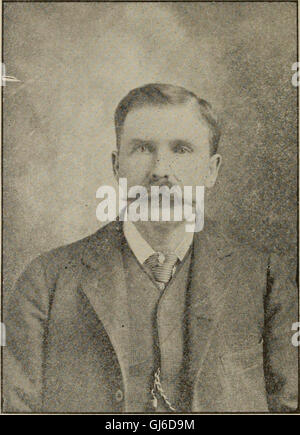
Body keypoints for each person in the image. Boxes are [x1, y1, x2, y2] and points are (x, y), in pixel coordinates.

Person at [4, 83, 298, 412]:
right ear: (117, 166)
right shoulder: (46, 284)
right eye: (143, 148)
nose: (160, 170)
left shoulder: (266, 280)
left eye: (181, 150)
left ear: (211, 170)